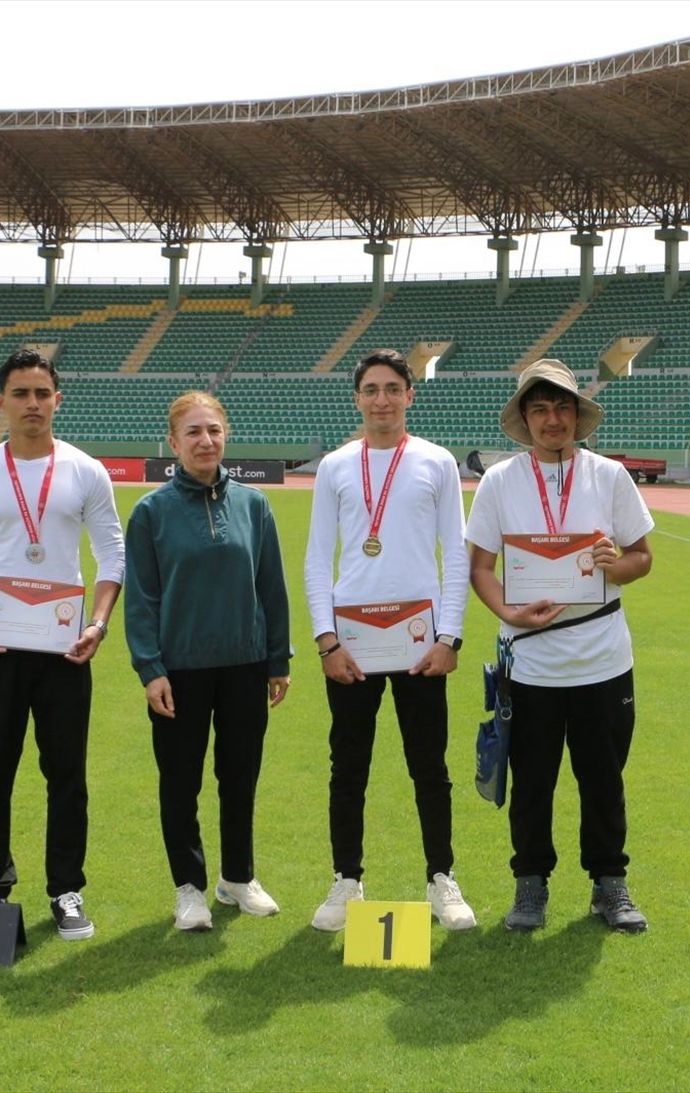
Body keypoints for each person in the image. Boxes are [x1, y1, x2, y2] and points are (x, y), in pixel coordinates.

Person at [0, 349, 124, 940]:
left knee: (66, 775)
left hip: (65, 648)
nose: (32, 404)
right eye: (21, 394)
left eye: (42, 393)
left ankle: (66, 891)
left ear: (57, 400)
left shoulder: (86, 471)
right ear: (1, 403)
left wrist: (98, 624)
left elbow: (112, 555)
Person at [465, 358, 654, 933]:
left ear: (578, 414)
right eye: (541, 409)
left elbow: (642, 557)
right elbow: (480, 567)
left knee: (604, 781)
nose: (554, 419)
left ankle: (609, 884)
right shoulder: (500, 481)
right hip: (530, 662)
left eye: (563, 407)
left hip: (602, 658)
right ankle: (530, 885)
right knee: (531, 783)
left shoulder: (610, 476)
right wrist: (507, 611)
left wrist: (615, 566)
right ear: (525, 418)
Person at [304, 348, 476, 932]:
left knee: (429, 766)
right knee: (348, 768)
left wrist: (450, 637)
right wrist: (327, 642)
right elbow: (316, 559)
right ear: (357, 398)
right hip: (353, 643)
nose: (382, 400)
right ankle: (346, 880)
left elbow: (456, 553)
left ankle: (441, 878)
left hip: (418, 642)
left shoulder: (436, 461)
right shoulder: (335, 466)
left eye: (393, 389)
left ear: (410, 395)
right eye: (372, 390)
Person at [123, 392, 291, 932]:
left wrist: (278, 658)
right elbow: (141, 598)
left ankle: (238, 877)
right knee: (181, 783)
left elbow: (272, 586)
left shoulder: (253, 505)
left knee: (239, 777)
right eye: (193, 432)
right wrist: (150, 669)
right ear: (173, 442)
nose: (205, 441)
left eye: (214, 430)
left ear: (226, 436)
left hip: (245, 664)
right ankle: (189, 889)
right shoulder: (151, 512)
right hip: (179, 671)